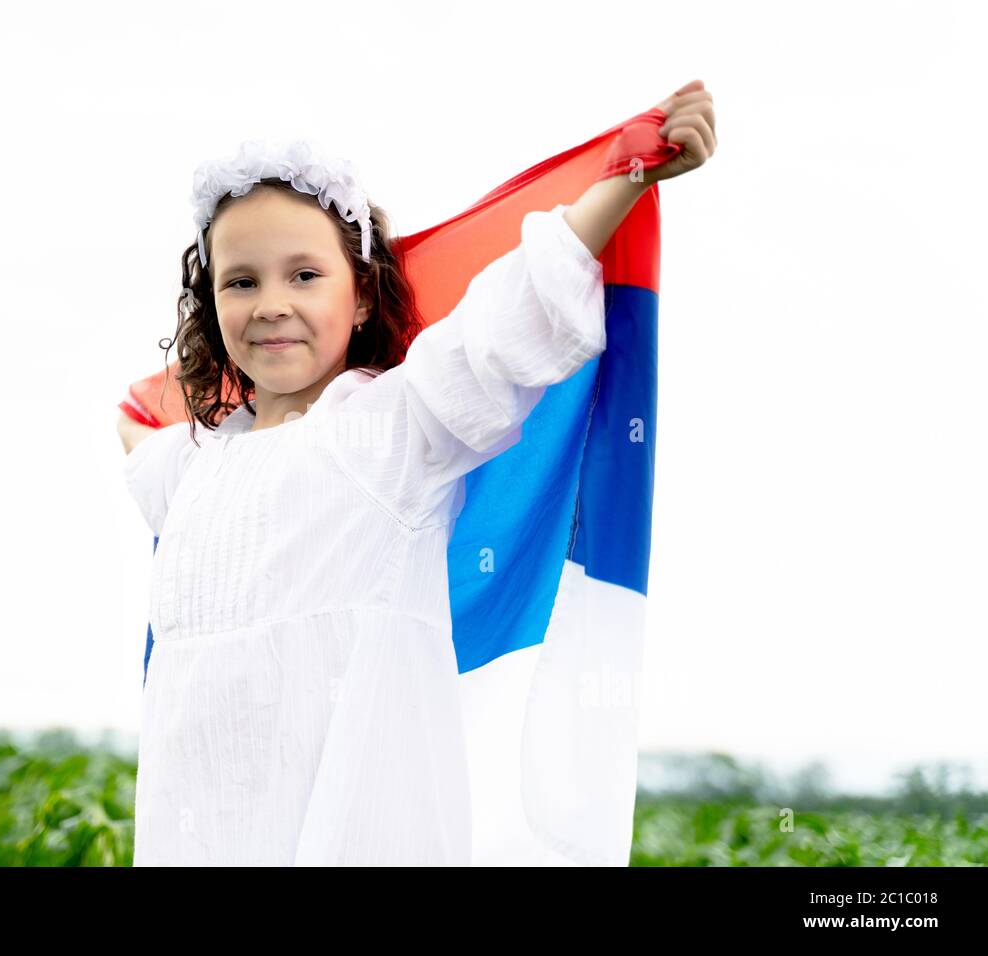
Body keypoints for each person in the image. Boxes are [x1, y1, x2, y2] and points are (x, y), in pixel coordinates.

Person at [119, 82, 716, 865]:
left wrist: (628, 179)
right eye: (242, 281)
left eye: (305, 275)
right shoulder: (191, 468)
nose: (271, 303)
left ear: (362, 296)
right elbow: (135, 435)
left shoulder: (397, 427)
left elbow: (507, 327)